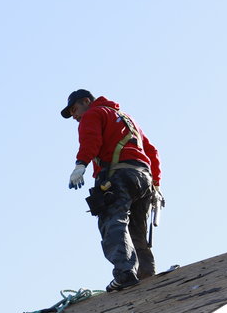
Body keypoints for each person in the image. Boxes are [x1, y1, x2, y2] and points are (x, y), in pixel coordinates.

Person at [61, 90, 161, 292]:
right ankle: (146, 273)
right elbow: (151, 151)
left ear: (86, 102)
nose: (74, 116)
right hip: (143, 179)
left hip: (118, 176)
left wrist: (81, 164)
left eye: (74, 109)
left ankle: (125, 274)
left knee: (113, 222)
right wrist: (156, 185)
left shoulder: (93, 114)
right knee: (136, 229)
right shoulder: (127, 118)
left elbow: (90, 139)